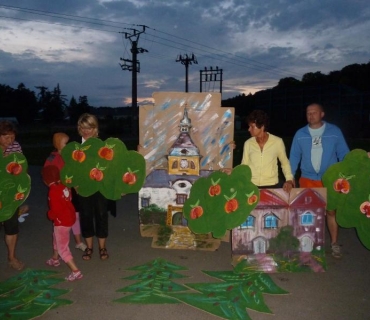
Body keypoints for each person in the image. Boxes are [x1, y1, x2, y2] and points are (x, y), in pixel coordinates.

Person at [289, 103, 349, 258]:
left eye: (314, 112)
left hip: (330, 179)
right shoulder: (300, 134)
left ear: (322, 114)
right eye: (308, 113)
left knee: (331, 211)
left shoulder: (334, 132)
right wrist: (290, 177)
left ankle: (334, 243)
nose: (311, 115)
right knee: (307, 212)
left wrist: (346, 174)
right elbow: (294, 157)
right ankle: (307, 244)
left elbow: (344, 154)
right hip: (307, 178)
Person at [44, 132, 87, 252]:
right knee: (59, 220)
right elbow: (47, 175)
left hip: (70, 192)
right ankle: (58, 248)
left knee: (74, 216)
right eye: (65, 143)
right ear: (57, 144)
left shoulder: (70, 156)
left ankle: (78, 242)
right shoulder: (52, 158)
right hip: (58, 194)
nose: (68, 145)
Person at [42, 165, 83, 281]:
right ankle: (55, 259)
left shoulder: (53, 191)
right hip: (68, 218)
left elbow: (56, 210)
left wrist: (49, 215)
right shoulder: (64, 185)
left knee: (62, 248)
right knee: (57, 237)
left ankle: (76, 271)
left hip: (61, 222)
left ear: (46, 179)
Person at [77, 113, 109, 261]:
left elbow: (111, 167)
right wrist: (75, 184)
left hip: (100, 186)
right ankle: (89, 247)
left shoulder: (103, 146)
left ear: (95, 128)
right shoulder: (76, 147)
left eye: (89, 127)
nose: (86, 131)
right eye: (83, 128)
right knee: (86, 216)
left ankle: (102, 247)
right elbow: (72, 169)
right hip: (83, 187)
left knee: (102, 215)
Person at [241, 110, 294, 192]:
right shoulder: (248, 143)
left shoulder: (277, 142)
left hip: (272, 185)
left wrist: (289, 180)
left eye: (252, 126)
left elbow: (285, 163)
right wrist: (234, 173)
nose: (249, 129)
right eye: (249, 126)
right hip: (252, 185)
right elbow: (244, 165)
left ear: (262, 126)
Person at [0, 120, 25, 270]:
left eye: (12, 137)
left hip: (10, 195)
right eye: (6, 137)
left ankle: (12, 257)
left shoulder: (15, 147)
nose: (10, 140)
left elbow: (22, 168)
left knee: (12, 227)